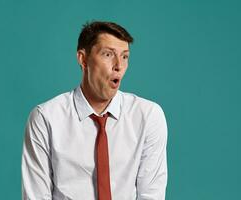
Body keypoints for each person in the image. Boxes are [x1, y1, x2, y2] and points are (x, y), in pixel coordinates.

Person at [22, 21, 168, 200]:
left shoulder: (148, 117)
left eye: (125, 57)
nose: (118, 66)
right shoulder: (45, 118)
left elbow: (151, 195)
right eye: (108, 54)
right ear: (83, 59)